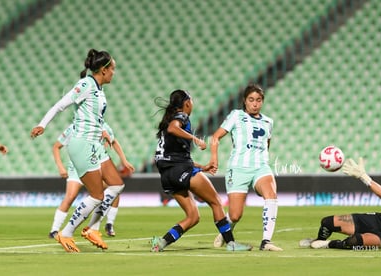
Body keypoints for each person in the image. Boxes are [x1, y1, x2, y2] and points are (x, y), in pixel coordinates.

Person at [31, 49, 125, 253]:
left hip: (95, 143)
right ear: (103, 69)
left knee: (117, 185)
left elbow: (91, 116)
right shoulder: (86, 85)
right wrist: (42, 125)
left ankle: (92, 227)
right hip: (82, 143)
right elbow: (60, 105)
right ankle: (66, 232)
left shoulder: (99, 89)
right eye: (113, 69)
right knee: (97, 195)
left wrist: (103, 131)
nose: (114, 73)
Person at [152, 89, 252, 252]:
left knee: (193, 217)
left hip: (167, 175)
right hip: (180, 170)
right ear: (186, 103)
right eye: (191, 100)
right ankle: (232, 244)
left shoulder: (168, 121)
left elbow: (176, 156)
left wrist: (202, 167)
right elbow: (173, 128)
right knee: (216, 202)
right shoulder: (181, 117)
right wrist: (195, 139)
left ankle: (162, 242)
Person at [210, 83, 282, 251]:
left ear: (262, 102)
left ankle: (266, 242)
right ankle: (225, 231)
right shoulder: (236, 115)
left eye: (258, 100)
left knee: (271, 195)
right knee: (235, 215)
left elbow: (266, 144)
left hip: (261, 167)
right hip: (239, 168)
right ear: (245, 101)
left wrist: (262, 160)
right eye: (251, 100)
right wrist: (214, 158)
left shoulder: (268, 122)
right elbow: (216, 136)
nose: (255, 103)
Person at [301, 157, 381, 250]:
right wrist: (363, 176)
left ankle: (330, 244)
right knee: (327, 222)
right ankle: (318, 240)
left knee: (355, 241)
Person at [49, 122, 134, 239]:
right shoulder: (74, 127)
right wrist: (60, 167)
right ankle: (54, 230)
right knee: (70, 197)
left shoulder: (103, 126)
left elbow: (113, 142)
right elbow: (56, 146)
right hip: (77, 167)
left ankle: (109, 224)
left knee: (114, 188)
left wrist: (124, 160)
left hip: (96, 166)